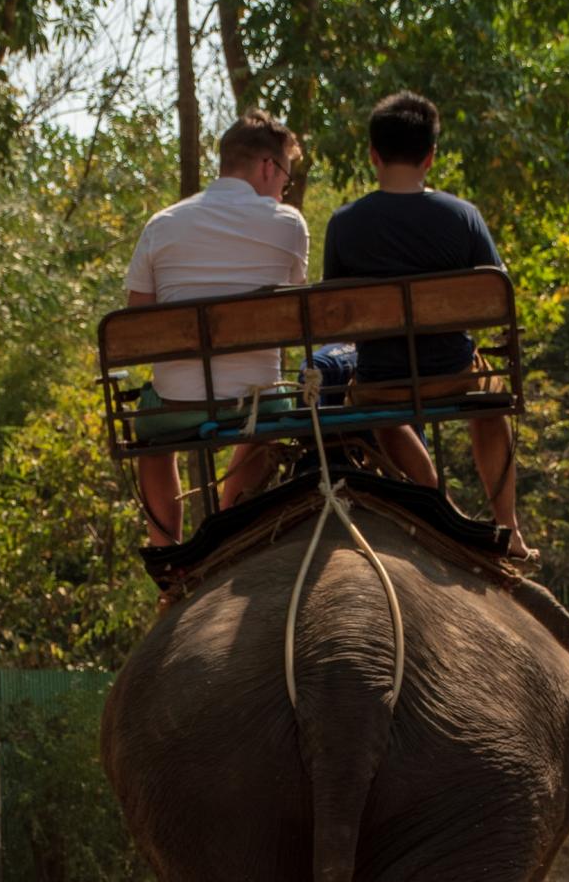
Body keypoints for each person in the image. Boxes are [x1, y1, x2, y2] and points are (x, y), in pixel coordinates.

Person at [322, 89, 530, 557]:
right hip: (452, 371)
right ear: (431, 156)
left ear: (373, 155)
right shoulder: (462, 216)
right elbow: (496, 299)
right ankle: (508, 525)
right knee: (491, 397)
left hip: (382, 379)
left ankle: (439, 505)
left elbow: (333, 311)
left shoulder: (345, 223)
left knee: (373, 403)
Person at [124, 111, 308, 545]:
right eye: (285, 177)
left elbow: (136, 320)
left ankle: (167, 551)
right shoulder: (289, 224)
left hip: (177, 404)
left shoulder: (162, 224)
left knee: (152, 436)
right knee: (269, 415)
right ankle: (229, 529)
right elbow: (294, 312)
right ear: (268, 167)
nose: (283, 189)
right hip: (256, 401)